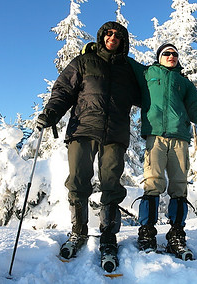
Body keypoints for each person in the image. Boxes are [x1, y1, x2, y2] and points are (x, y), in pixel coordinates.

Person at [37, 21, 140, 273]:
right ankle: (78, 233)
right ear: (102, 36)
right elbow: (63, 90)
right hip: (83, 130)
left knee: (111, 186)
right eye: (109, 33)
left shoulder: (128, 70)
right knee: (78, 181)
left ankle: (108, 238)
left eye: (118, 35)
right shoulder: (84, 62)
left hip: (115, 135)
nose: (112, 37)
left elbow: (150, 93)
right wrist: (51, 112)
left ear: (123, 41)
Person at [128, 43, 197, 260]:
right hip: (155, 136)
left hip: (180, 139)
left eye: (175, 54)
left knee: (179, 185)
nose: (171, 56)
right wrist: (94, 49)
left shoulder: (184, 83)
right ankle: (147, 233)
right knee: (152, 183)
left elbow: (195, 111)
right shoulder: (147, 73)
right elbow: (122, 60)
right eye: (167, 53)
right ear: (159, 56)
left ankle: (177, 235)